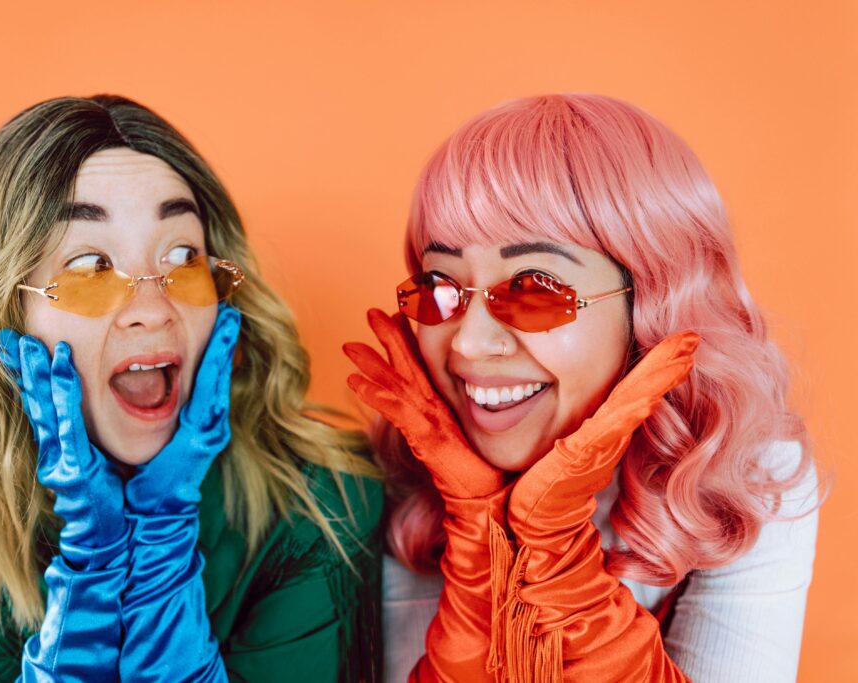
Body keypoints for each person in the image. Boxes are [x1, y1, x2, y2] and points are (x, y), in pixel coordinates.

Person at [0, 94, 383, 682]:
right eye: (91, 266)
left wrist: (164, 537)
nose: (153, 308)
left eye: (181, 255)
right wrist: (90, 570)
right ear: (5, 320)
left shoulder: (325, 503)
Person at [345, 94, 823, 682]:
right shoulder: (379, 481)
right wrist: (478, 538)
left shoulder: (749, 480)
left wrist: (558, 557)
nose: (467, 344)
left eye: (534, 288)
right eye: (441, 283)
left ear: (653, 303)